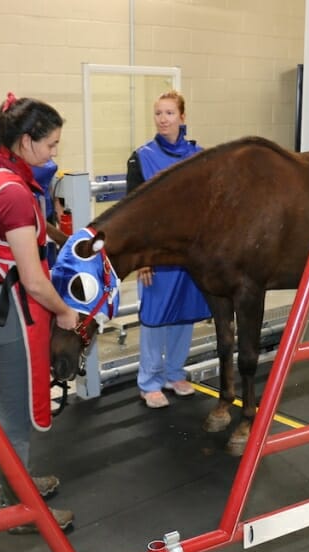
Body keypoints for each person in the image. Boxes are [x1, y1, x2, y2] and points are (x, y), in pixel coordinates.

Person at [0, 93, 79, 533]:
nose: (53, 153)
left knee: (4, 406)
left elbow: (22, 233)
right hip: (6, 308)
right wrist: (65, 311)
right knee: (14, 414)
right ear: (26, 141)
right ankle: (21, 512)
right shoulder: (11, 190)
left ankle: (19, 486)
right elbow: (33, 280)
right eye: (50, 145)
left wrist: (61, 237)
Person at [125, 90, 211, 409]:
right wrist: (142, 258)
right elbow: (133, 212)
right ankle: (149, 382)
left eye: (169, 113)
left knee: (183, 316)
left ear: (182, 117)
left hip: (189, 255)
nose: (163, 119)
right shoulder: (141, 157)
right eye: (158, 113)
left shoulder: (199, 156)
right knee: (154, 318)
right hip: (157, 256)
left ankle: (175, 373)